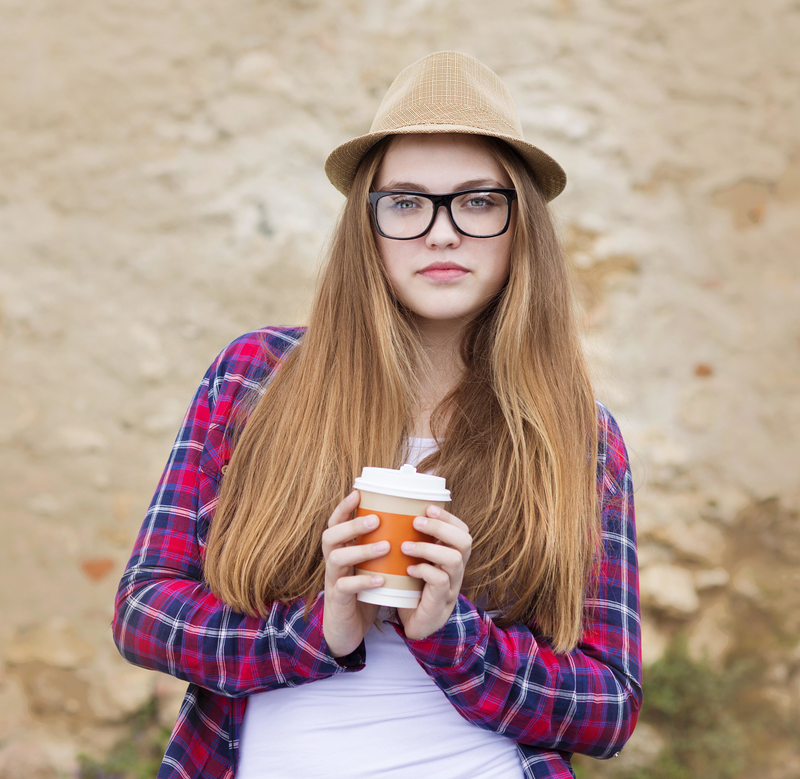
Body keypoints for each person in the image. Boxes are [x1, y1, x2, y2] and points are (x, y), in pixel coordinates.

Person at [113, 51, 642, 779]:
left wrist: (453, 632)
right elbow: (144, 611)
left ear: (522, 226)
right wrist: (316, 629)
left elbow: (609, 707)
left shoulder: (576, 436)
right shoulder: (256, 380)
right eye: (406, 202)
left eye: (479, 201)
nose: (443, 232)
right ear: (368, 225)